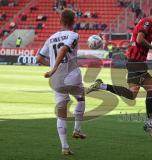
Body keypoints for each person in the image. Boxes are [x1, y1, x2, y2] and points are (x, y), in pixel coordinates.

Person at [86, 5, 152, 139]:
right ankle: (149, 124)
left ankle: (101, 85)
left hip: (136, 63)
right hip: (136, 62)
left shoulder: (149, 27)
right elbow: (139, 40)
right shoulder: (146, 22)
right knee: (151, 91)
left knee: (133, 94)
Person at [36, 8, 86, 155]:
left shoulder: (50, 38)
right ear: (73, 21)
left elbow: (38, 58)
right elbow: (63, 50)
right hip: (71, 74)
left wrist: (52, 68)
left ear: (60, 21)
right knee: (81, 98)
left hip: (56, 79)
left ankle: (65, 147)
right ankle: (77, 130)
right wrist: (54, 68)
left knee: (61, 112)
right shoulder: (73, 34)